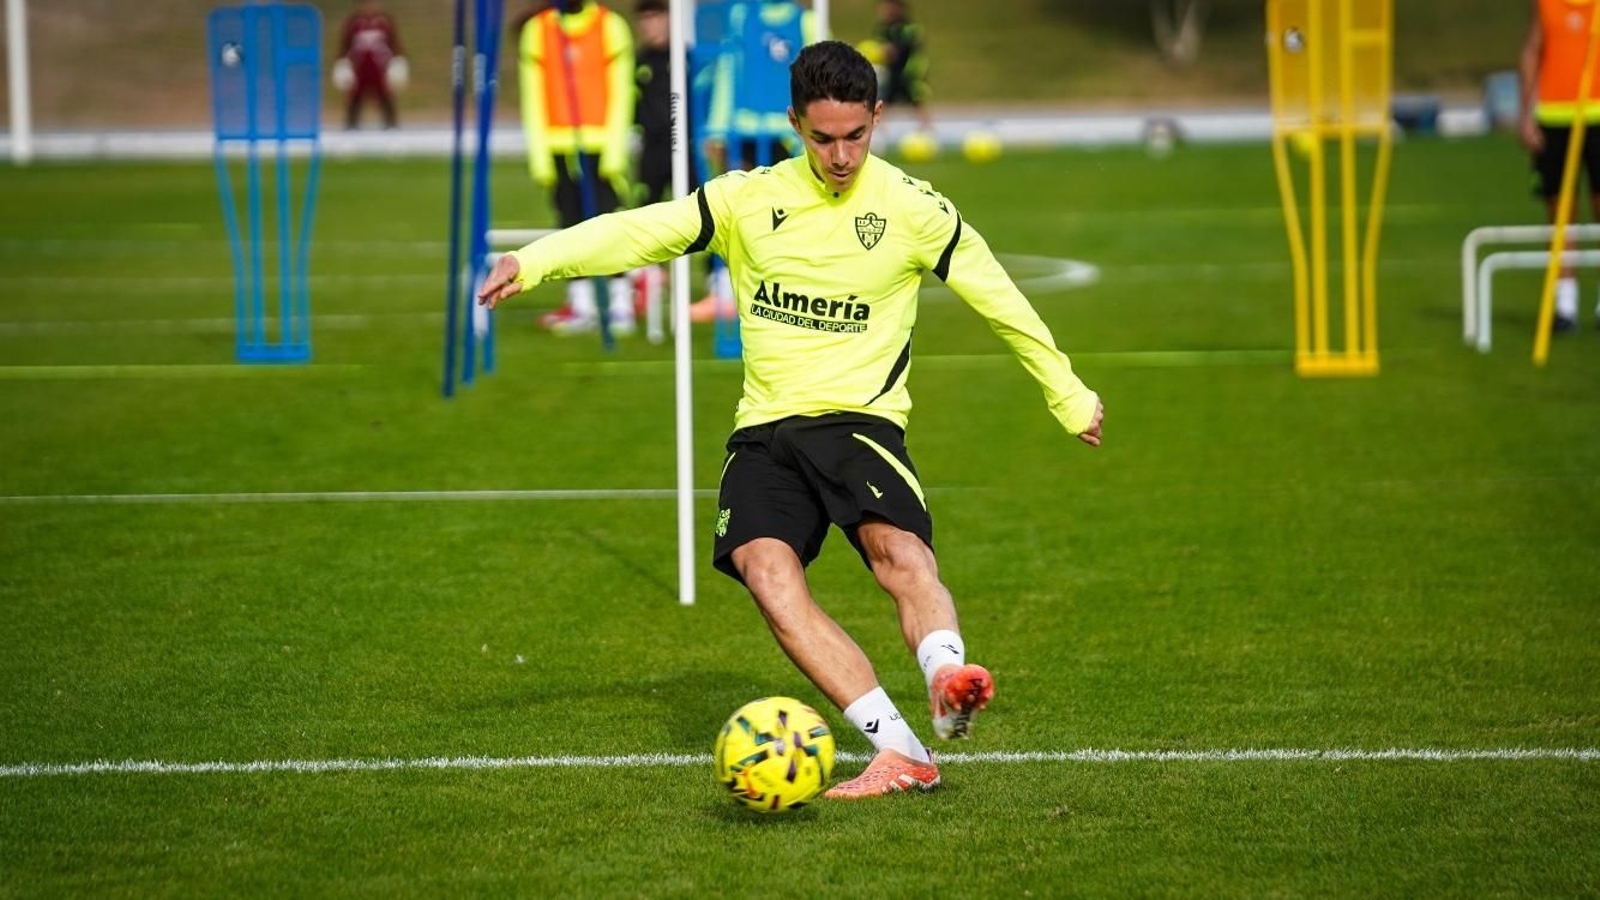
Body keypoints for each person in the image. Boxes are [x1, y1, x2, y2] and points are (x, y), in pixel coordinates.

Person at [478, 41, 1104, 799]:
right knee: (768, 576)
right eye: (823, 138)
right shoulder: (748, 199)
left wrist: (1066, 392)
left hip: (861, 423)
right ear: (794, 125)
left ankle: (947, 675)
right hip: (767, 433)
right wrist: (534, 260)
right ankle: (903, 752)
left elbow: (1000, 299)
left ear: (876, 117)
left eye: (856, 136)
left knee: (896, 553)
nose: (841, 155)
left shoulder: (914, 210)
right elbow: (640, 230)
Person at [518, 0, 638, 335]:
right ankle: (581, 304)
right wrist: (540, 155)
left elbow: (621, 92)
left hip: (600, 146)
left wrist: (615, 152)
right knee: (568, 226)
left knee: (609, 225)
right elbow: (534, 97)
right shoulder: (537, 30)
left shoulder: (610, 25)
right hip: (558, 146)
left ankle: (619, 302)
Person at [1521, 0, 1600, 331]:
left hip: (1597, 115)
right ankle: (1565, 304)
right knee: (1559, 211)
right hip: (1554, 116)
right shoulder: (1546, 4)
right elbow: (1531, 52)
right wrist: (1526, 114)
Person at [335, 0, 406, 130]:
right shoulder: (354, 23)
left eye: (373, 3)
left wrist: (398, 61)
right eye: (366, 4)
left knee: (385, 96)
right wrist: (342, 62)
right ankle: (351, 127)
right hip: (359, 69)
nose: (370, 7)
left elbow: (394, 43)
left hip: (379, 69)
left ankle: (392, 127)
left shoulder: (385, 22)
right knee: (354, 98)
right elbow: (345, 44)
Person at [874, 0, 933, 134]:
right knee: (886, 100)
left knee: (916, 101)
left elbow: (907, 47)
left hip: (908, 72)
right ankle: (878, 130)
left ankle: (928, 129)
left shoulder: (909, 27)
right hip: (892, 72)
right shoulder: (883, 28)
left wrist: (891, 50)